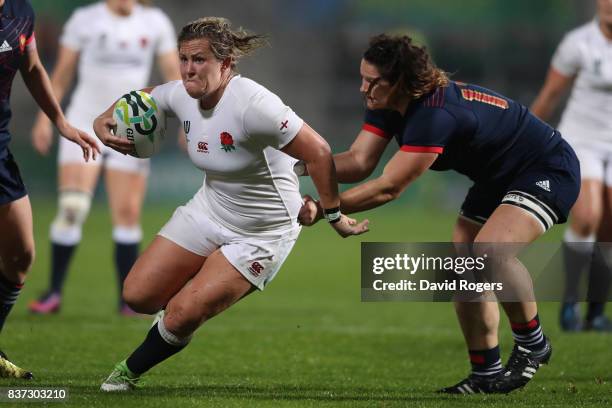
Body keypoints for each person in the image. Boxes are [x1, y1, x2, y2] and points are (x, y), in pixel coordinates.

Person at [92, 17, 369, 391]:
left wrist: (332, 213)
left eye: (200, 60)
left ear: (225, 64)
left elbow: (319, 151)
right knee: (137, 295)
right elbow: (146, 95)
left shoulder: (253, 104)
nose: (189, 69)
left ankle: (128, 371)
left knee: (183, 313)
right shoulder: (180, 93)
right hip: (210, 209)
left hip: (263, 232)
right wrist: (102, 119)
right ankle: (185, 303)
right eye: (184, 59)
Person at [298, 33, 580, 394]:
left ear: (400, 82)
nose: (362, 89)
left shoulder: (434, 113)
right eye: (362, 77)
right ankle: (486, 374)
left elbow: (390, 187)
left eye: (372, 81)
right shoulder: (390, 101)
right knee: (464, 267)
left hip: (545, 167)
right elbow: (359, 160)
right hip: (497, 175)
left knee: (489, 254)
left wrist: (324, 209)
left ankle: (533, 343)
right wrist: (299, 167)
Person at [28, 0, 181, 316]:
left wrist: (188, 121)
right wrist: (45, 120)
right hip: (84, 120)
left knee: (126, 215)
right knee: (73, 207)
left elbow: (173, 76)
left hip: (131, 131)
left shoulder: (154, 22)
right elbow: (61, 76)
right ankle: (53, 292)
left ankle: (126, 299)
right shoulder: (85, 20)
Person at [0, 0, 99, 378]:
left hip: (0, 149)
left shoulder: (21, 14)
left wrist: (61, 122)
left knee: (20, 255)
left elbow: (33, 66)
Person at [530, 0, 612, 332]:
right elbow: (550, 95)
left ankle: (596, 311)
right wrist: (525, 139)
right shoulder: (578, 42)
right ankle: (569, 302)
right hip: (583, 140)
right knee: (588, 214)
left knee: (609, 228)